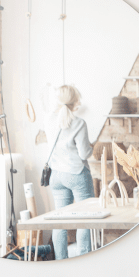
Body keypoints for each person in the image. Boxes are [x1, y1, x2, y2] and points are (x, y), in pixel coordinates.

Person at [45, 84, 95, 260]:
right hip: (77, 174)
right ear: (75, 102)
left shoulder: (49, 119)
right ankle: (84, 260)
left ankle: (60, 261)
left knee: (60, 221)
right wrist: (91, 147)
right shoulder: (79, 123)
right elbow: (84, 153)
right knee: (85, 219)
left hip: (56, 175)